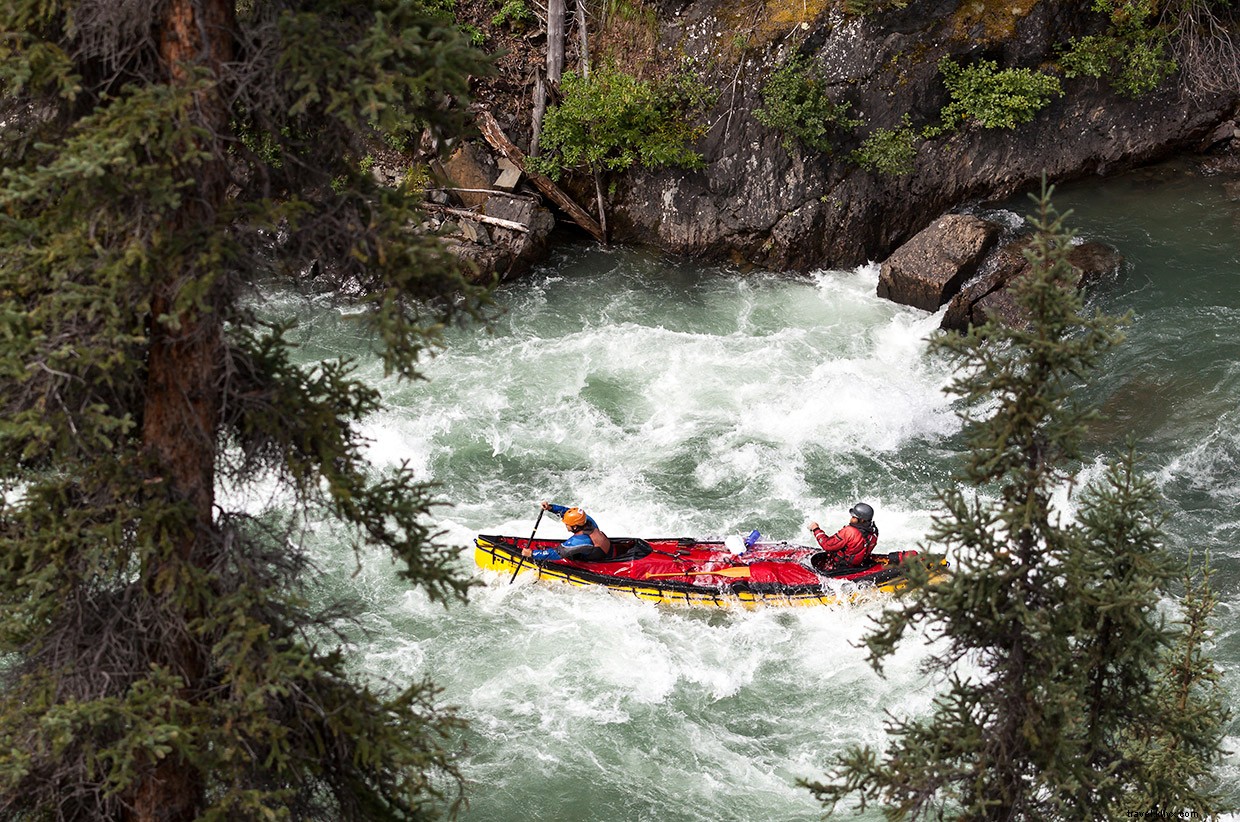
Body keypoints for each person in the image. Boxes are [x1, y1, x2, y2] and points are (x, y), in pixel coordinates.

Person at [522, 501, 612, 561]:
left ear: (575, 527)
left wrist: (532, 553)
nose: (565, 525)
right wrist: (550, 508)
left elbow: (556, 553)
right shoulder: (586, 520)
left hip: (597, 560)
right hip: (608, 551)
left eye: (567, 524)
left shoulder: (580, 541)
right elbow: (566, 512)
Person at [807, 502, 879, 567]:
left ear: (862, 520)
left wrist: (816, 529)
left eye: (854, 517)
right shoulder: (874, 531)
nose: (851, 519)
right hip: (860, 564)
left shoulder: (849, 531)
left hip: (842, 567)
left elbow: (827, 545)